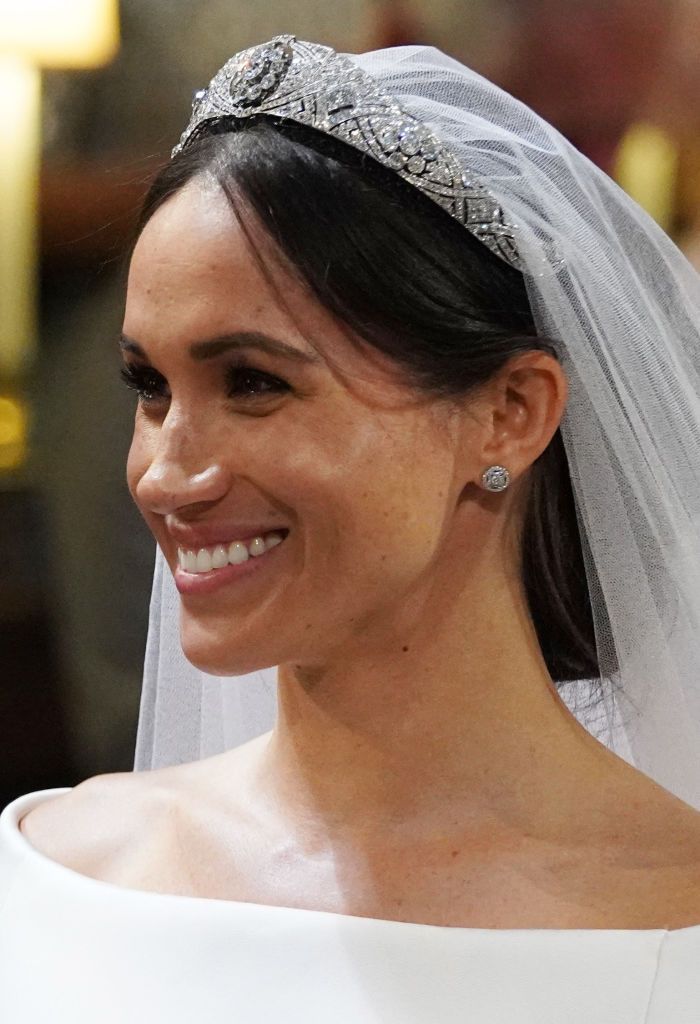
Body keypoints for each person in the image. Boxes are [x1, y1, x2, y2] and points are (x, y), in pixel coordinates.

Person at [2, 34, 700, 1022]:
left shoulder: (674, 914)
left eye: (254, 383)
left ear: (510, 412)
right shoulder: (53, 887)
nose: (167, 473)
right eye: (150, 388)